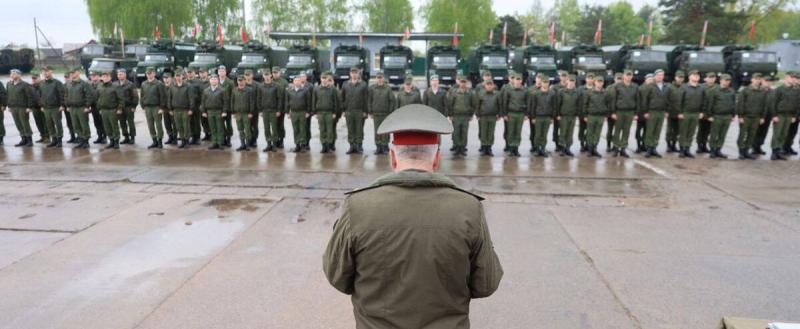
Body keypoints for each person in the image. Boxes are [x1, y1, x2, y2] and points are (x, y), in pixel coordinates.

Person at [323, 104, 503, 329]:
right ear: (436, 158)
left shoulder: (357, 207)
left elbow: (337, 276)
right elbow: (486, 283)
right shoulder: (468, 208)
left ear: (392, 157)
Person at [735, 73, 767, 159]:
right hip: (746, 117)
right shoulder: (745, 90)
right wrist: (740, 116)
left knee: (752, 135)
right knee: (743, 134)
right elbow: (740, 104)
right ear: (752, 80)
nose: (757, 80)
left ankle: (746, 151)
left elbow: (764, 105)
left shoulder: (763, 91)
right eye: (756, 79)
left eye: (759, 79)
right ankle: (741, 151)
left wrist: (762, 117)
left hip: (756, 117)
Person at [609, 70, 639, 157]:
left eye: (630, 75)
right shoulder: (618, 86)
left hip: (630, 112)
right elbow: (614, 99)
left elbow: (637, 100)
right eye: (627, 75)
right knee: (617, 130)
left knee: (626, 131)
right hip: (619, 111)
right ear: (623, 76)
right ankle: (616, 147)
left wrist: (636, 113)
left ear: (632, 76)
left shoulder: (635, 86)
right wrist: (613, 112)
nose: (629, 77)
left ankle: (623, 148)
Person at [769, 72, 799, 160]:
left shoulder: (796, 90)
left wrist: (794, 116)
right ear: (786, 78)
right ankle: (774, 152)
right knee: (777, 134)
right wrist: (774, 115)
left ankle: (779, 151)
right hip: (780, 115)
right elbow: (773, 103)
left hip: (789, 115)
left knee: (784, 134)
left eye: (794, 78)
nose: (793, 79)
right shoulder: (779, 89)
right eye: (791, 77)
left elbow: (797, 104)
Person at [705, 74, 736, 159]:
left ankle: (718, 149)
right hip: (717, 116)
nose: (727, 82)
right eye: (725, 80)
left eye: (728, 80)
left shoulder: (731, 91)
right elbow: (709, 104)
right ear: (721, 80)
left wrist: (733, 115)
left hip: (727, 116)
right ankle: (712, 150)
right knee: (714, 134)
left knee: (723, 134)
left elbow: (733, 104)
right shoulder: (714, 91)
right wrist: (709, 115)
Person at [677, 70, 705, 158]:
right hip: (686, 113)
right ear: (689, 77)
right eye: (694, 75)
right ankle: (682, 149)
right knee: (683, 132)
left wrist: (702, 112)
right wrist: (680, 112)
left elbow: (704, 101)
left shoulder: (701, 88)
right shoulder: (684, 87)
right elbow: (678, 101)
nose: (696, 77)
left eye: (697, 75)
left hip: (696, 113)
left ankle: (687, 149)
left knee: (691, 132)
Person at [642, 69, 669, 158]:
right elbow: (645, 100)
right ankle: (648, 148)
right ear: (655, 76)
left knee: (657, 131)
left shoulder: (666, 87)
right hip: (652, 111)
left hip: (661, 112)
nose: (660, 76)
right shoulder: (650, 86)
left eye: (662, 75)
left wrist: (666, 111)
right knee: (650, 130)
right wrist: (645, 111)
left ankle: (654, 147)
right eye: (658, 75)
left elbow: (668, 100)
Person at [341, 67, 369, 154]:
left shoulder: (363, 85)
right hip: (349, 111)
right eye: (352, 73)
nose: (354, 74)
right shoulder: (345, 84)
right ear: (350, 74)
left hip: (359, 111)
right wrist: (343, 110)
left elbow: (366, 99)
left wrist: (365, 111)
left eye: (355, 73)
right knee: (350, 129)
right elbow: (342, 98)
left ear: (358, 74)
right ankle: (352, 146)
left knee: (359, 129)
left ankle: (359, 145)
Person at [64, 68, 94, 149]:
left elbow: (89, 95)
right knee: (75, 125)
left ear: (78, 73)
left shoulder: (84, 83)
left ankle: (86, 141)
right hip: (72, 108)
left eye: (73, 72)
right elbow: (66, 95)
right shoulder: (69, 84)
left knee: (84, 125)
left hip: (82, 108)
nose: (72, 74)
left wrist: (87, 106)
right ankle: (81, 140)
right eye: (71, 73)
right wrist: (68, 105)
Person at [5, 69, 36, 147]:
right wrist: (9, 106)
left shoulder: (25, 84)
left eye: (14, 73)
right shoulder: (9, 84)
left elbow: (30, 96)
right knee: (18, 124)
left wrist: (29, 107)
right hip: (13, 107)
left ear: (19, 75)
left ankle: (29, 140)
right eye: (11, 73)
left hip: (23, 107)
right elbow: (8, 95)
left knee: (25, 123)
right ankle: (23, 139)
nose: (12, 75)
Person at [368, 71, 396, 155]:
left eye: (381, 78)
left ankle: (384, 146)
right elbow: (369, 100)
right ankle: (378, 147)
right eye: (378, 78)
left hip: (385, 114)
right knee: (377, 131)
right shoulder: (372, 88)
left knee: (385, 131)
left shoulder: (388, 88)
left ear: (383, 79)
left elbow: (392, 101)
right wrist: (370, 111)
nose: (379, 80)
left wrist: (390, 112)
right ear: (376, 79)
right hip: (376, 114)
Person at [447, 74, 476, 157]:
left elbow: (473, 104)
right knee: (456, 133)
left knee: (464, 133)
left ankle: (462, 148)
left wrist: (471, 115)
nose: (463, 84)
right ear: (459, 83)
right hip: (456, 116)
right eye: (461, 82)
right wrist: (450, 114)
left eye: (464, 82)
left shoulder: (470, 93)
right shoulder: (454, 92)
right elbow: (450, 104)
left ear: (466, 83)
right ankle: (457, 148)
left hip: (465, 116)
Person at [140, 67, 168, 149]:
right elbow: (142, 96)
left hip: (156, 107)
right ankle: (154, 140)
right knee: (150, 125)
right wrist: (143, 106)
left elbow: (163, 96)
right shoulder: (144, 84)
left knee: (158, 124)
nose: (149, 75)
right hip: (147, 107)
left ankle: (160, 141)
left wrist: (161, 107)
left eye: (151, 73)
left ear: (154, 74)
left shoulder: (159, 84)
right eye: (147, 74)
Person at [95, 71, 124, 149]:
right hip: (104, 110)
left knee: (114, 126)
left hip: (113, 109)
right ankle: (111, 141)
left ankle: (116, 141)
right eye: (104, 76)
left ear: (110, 77)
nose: (105, 78)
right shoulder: (99, 86)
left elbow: (121, 99)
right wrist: (99, 108)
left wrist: (119, 108)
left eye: (107, 76)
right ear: (101, 78)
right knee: (107, 126)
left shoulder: (115, 86)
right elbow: (97, 98)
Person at [529, 76, 557, 157]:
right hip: (538, 117)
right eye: (544, 82)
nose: (545, 84)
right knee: (537, 134)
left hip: (547, 117)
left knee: (544, 135)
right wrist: (533, 117)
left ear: (549, 83)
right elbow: (533, 106)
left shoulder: (552, 93)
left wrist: (552, 117)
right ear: (541, 83)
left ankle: (542, 149)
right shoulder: (536, 94)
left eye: (547, 82)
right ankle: (537, 149)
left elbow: (554, 106)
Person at [38, 66, 66, 148]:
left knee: (58, 124)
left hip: (55, 107)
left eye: (47, 71)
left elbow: (62, 94)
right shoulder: (42, 83)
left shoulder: (57, 83)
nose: (45, 73)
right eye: (43, 71)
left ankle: (59, 140)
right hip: (46, 108)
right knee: (49, 124)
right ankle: (54, 139)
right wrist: (42, 105)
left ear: (51, 72)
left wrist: (62, 105)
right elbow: (40, 95)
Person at [168, 69, 196, 149]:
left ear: (182, 76)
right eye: (176, 76)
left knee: (186, 126)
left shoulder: (188, 86)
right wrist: (170, 109)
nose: (178, 78)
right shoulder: (172, 86)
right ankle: (182, 140)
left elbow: (191, 98)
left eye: (179, 76)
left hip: (185, 110)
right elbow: (169, 98)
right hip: (176, 110)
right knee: (179, 126)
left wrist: (191, 109)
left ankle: (187, 141)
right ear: (174, 77)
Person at [501, 72, 528, 157]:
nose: (517, 81)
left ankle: (516, 148)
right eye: (516, 79)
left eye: (519, 79)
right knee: (511, 131)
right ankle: (511, 148)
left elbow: (527, 102)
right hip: (511, 113)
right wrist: (504, 114)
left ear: (521, 81)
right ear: (513, 80)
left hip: (520, 114)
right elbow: (505, 102)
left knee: (518, 132)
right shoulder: (508, 90)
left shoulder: (524, 90)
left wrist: (526, 114)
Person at [285, 72, 312, 153]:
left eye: (298, 81)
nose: (297, 82)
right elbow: (287, 102)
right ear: (293, 82)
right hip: (293, 113)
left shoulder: (305, 90)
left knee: (302, 129)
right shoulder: (290, 91)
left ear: (301, 82)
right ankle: (297, 144)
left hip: (302, 112)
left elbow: (308, 102)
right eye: (295, 81)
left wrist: (308, 112)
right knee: (295, 129)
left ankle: (303, 145)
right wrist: (287, 112)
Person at [583, 78, 611, 157]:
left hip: (601, 116)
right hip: (591, 115)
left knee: (597, 133)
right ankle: (590, 149)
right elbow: (585, 104)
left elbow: (608, 104)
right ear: (595, 82)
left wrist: (606, 115)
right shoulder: (589, 92)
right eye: (598, 82)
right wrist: (585, 115)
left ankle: (594, 148)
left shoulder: (605, 93)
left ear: (603, 83)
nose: (599, 83)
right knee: (590, 133)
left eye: (601, 82)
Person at [313, 72, 340, 154]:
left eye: (325, 78)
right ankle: (323, 145)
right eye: (323, 78)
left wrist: (334, 112)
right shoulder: (316, 89)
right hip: (320, 113)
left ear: (328, 79)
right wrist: (315, 112)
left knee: (329, 130)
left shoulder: (332, 89)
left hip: (329, 112)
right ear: (320, 79)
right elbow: (314, 101)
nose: (324, 80)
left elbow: (335, 102)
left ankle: (329, 145)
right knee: (322, 129)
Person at [201, 74, 229, 150]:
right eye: (212, 79)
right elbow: (203, 102)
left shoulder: (222, 90)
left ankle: (220, 143)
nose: (213, 81)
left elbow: (225, 102)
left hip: (219, 111)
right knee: (212, 128)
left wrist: (224, 111)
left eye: (215, 79)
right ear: (209, 81)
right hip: (209, 111)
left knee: (219, 128)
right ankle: (214, 142)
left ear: (218, 80)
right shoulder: (206, 91)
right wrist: (203, 111)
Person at [257, 71, 283, 152]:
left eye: (268, 75)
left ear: (271, 76)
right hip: (265, 110)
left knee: (274, 128)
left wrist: (278, 110)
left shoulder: (276, 86)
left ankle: (274, 144)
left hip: (273, 110)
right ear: (263, 76)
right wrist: (260, 110)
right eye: (265, 75)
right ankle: (268, 144)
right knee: (266, 128)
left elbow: (279, 99)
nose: (267, 76)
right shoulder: (260, 86)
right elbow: (258, 99)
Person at [556, 74, 580, 157]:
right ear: (567, 81)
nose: (571, 83)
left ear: (575, 82)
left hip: (572, 116)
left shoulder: (577, 92)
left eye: (573, 81)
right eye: (570, 81)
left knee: (570, 133)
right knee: (563, 132)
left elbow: (578, 104)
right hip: (563, 116)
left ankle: (568, 148)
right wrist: (558, 114)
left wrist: (577, 114)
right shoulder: (561, 92)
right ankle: (562, 148)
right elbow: (558, 104)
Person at [230, 75, 255, 151]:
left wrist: (251, 112)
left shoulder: (249, 90)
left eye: (242, 81)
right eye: (239, 81)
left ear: (245, 81)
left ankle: (247, 145)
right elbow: (232, 101)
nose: (240, 82)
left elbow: (251, 102)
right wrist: (233, 112)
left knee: (247, 129)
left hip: (246, 113)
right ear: (237, 81)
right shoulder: (234, 90)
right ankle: (242, 144)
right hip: (238, 113)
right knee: (240, 129)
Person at [476, 80, 501, 156]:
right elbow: (477, 105)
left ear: (493, 86)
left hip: (492, 116)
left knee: (490, 132)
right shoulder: (481, 94)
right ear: (485, 86)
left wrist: (499, 114)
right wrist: (477, 115)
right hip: (483, 116)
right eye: (488, 84)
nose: (489, 86)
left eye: (491, 85)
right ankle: (484, 148)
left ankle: (489, 148)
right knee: (483, 132)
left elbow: (499, 104)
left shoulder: (497, 94)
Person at [753, 76, 776, 155]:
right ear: (762, 81)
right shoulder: (757, 90)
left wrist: (774, 114)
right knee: (756, 131)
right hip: (758, 115)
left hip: (768, 115)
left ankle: (758, 146)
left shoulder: (773, 92)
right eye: (766, 81)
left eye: (770, 81)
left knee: (763, 131)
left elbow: (774, 103)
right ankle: (753, 147)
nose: (768, 83)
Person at [696, 72, 718, 154]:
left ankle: (704, 145)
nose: (711, 79)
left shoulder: (717, 87)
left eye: (713, 77)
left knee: (708, 130)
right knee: (701, 129)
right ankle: (699, 146)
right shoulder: (701, 87)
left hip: (712, 113)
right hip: (702, 112)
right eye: (709, 77)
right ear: (706, 79)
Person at [116, 69, 138, 145]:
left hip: (128, 107)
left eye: (121, 74)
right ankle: (126, 137)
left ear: (125, 75)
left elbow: (135, 96)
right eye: (118, 74)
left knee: (130, 122)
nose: (119, 76)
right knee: (122, 123)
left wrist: (134, 106)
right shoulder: (115, 84)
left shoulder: (130, 84)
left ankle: (132, 137)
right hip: (119, 107)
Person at [665, 70, 685, 153]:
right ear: (675, 77)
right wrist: (666, 110)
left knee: (677, 130)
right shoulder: (669, 87)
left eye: (682, 77)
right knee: (670, 130)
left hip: (680, 113)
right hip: (671, 112)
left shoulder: (684, 87)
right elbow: (666, 99)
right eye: (679, 77)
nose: (680, 79)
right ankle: (669, 145)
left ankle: (674, 145)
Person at [635, 73, 654, 153]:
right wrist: (640, 113)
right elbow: (638, 102)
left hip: (650, 113)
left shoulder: (654, 88)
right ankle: (638, 146)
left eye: (652, 79)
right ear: (645, 79)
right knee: (638, 131)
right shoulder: (641, 88)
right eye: (649, 79)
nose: (650, 81)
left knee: (647, 131)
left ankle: (644, 145)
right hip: (641, 113)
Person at [271, 66, 289, 149]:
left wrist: (286, 109)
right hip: (272, 108)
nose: (275, 74)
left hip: (281, 108)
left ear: (279, 73)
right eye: (273, 72)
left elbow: (286, 96)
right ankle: (275, 140)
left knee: (280, 125)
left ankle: (281, 140)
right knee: (273, 125)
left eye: (276, 72)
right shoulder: (269, 81)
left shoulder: (284, 82)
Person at [577, 73, 595, 152]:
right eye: (588, 78)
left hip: (592, 113)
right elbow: (577, 100)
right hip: (582, 113)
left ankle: (589, 144)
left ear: (593, 80)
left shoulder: (596, 89)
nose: (590, 80)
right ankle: (582, 144)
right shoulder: (581, 89)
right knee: (582, 129)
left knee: (590, 130)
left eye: (591, 78)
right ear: (586, 79)